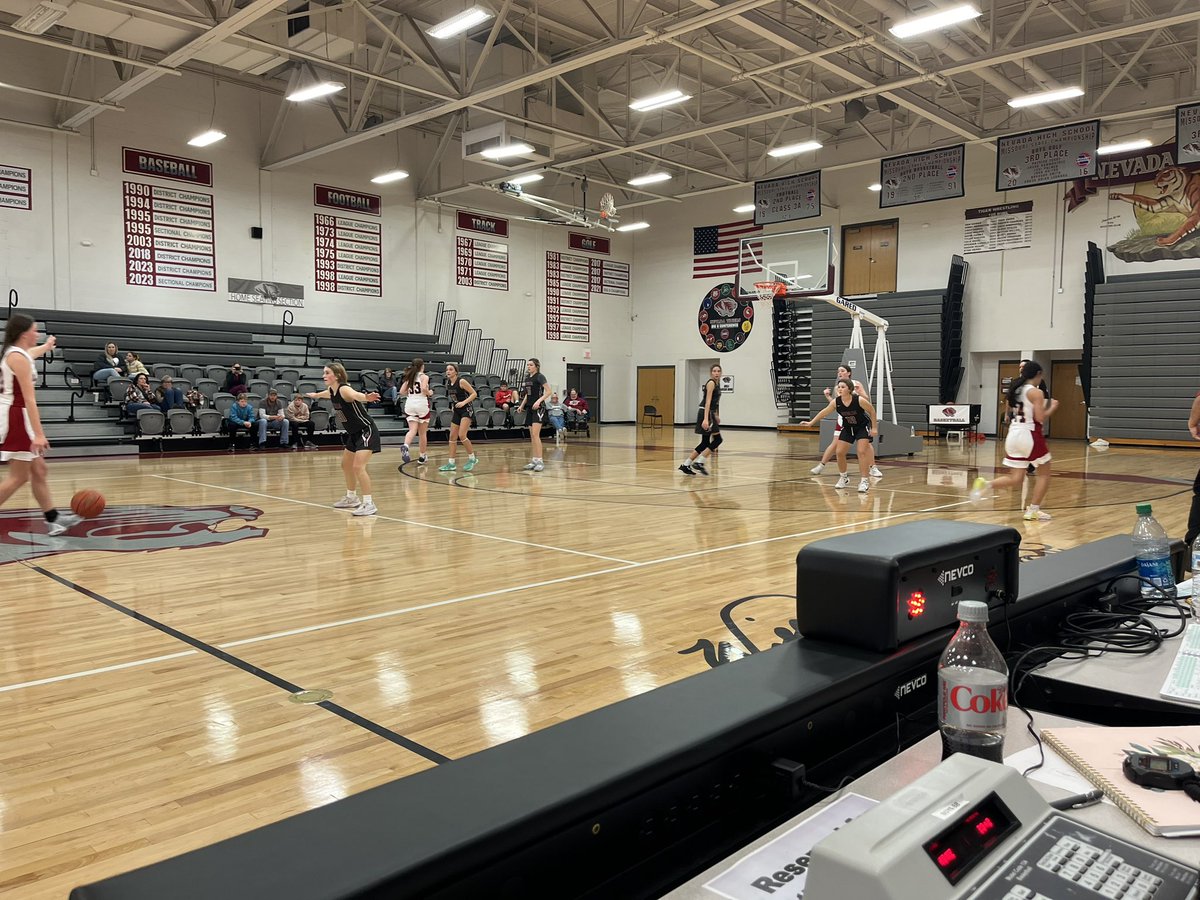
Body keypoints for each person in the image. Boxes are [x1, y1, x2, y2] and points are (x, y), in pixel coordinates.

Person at [0, 314, 81, 536]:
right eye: (35, 330)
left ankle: (53, 518)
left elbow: (30, 354)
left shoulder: (19, 354)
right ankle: (53, 518)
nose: (37, 333)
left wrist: (45, 347)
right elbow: (29, 399)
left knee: (39, 470)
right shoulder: (17, 358)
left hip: (17, 414)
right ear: (25, 333)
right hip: (17, 415)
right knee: (19, 477)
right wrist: (38, 434)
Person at [970, 359, 1059, 521]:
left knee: (1016, 478)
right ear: (1038, 375)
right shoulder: (1036, 392)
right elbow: (1039, 418)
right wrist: (1052, 407)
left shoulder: (1016, 390)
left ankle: (986, 485)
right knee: (1044, 474)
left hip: (1013, 435)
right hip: (1029, 435)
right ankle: (1033, 509)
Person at [306, 363, 381, 516]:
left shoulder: (344, 389)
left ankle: (369, 503)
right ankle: (352, 498)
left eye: (327, 373)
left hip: (366, 431)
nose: (323, 376)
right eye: (324, 373)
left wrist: (366, 397)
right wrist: (315, 395)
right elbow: (325, 394)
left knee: (358, 467)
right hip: (353, 433)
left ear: (337, 375)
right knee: (346, 465)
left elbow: (355, 395)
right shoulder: (332, 391)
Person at [801, 378, 879, 493]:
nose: (840, 389)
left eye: (843, 387)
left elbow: (872, 411)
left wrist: (874, 428)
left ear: (849, 389)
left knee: (861, 452)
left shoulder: (859, 400)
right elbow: (824, 412)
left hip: (862, 427)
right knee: (839, 452)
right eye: (839, 387)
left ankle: (864, 481)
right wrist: (811, 423)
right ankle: (843, 477)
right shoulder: (836, 402)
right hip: (848, 428)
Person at [810, 365, 882, 479]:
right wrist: (827, 396)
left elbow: (867, 400)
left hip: (858, 419)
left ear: (849, 373)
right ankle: (821, 466)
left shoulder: (856, 384)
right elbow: (834, 404)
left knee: (865, 446)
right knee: (836, 446)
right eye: (838, 371)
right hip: (843, 420)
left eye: (842, 371)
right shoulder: (837, 387)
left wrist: (859, 392)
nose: (840, 373)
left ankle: (873, 467)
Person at [679, 364, 724, 476]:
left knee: (705, 443)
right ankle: (700, 462)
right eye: (714, 371)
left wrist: (716, 415)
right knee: (718, 440)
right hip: (706, 412)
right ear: (711, 373)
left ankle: (686, 465)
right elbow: (708, 401)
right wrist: (706, 419)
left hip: (710, 413)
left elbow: (715, 402)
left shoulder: (717, 384)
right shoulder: (711, 383)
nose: (716, 373)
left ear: (721, 373)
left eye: (718, 371)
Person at [439, 363, 479, 473]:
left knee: (462, 435)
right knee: (452, 436)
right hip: (457, 410)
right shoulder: (448, 383)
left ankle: (472, 458)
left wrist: (463, 402)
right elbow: (454, 397)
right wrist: (454, 405)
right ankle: (451, 463)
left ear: (456, 372)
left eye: (451, 369)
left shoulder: (461, 381)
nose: (448, 371)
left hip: (467, 409)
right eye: (447, 369)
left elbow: (474, 394)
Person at [515, 358, 550, 472]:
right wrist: (522, 405)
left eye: (531, 365)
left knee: (536, 435)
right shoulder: (527, 378)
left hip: (539, 408)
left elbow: (549, 391)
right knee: (532, 436)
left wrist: (538, 401)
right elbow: (527, 394)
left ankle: (540, 460)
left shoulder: (540, 376)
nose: (528, 367)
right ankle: (534, 460)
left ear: (536, 366)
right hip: (530, 407)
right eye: (528, 365)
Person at [399, 358, 431, 466]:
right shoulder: (424, 376)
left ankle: (406, 446)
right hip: (421, 403)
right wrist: (430, 392)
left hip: (410, 404)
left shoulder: (410, 377)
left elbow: (401, 392)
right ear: (422, 366)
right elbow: (423, 388)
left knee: (412, 430)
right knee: (422, 433)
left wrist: (410, 393)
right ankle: (422, 456)